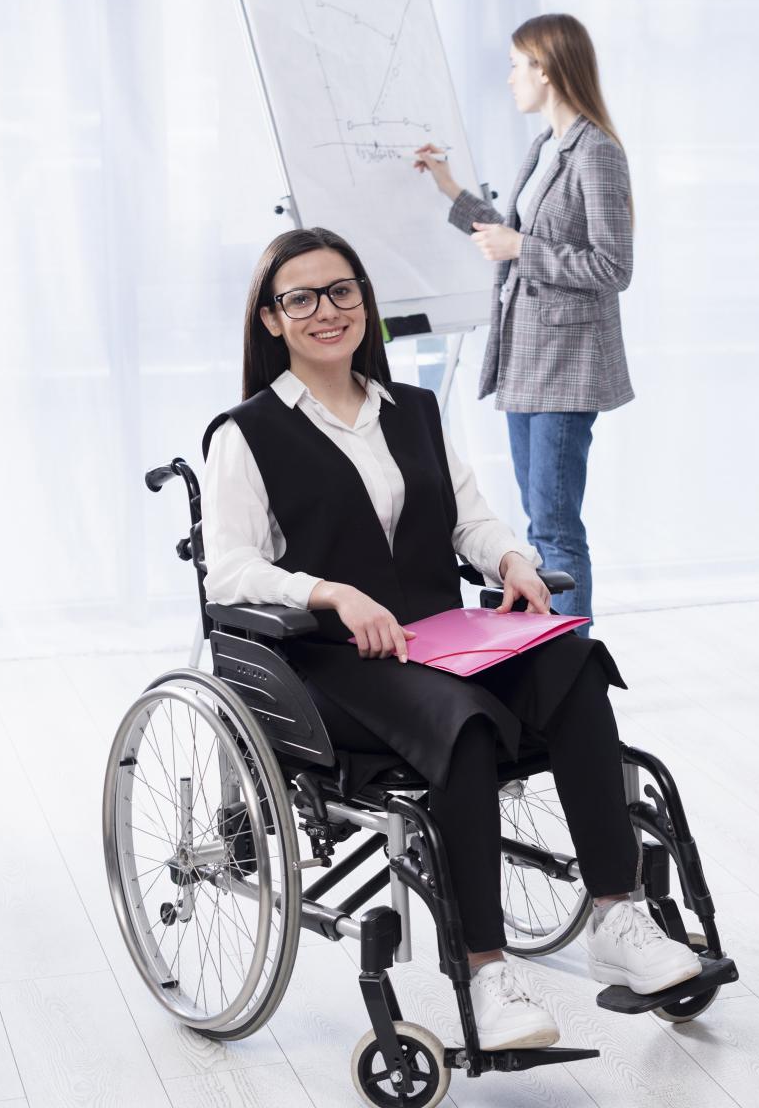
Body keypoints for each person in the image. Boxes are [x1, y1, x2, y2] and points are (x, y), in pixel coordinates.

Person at [200, 227, 698, 1051]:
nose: (327, 311)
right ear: (271, 319)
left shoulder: (416, 410)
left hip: (440, 636)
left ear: (366, 301)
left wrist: (512, 558)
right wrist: (326, 591)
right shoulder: (245, 434)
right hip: (332, 663)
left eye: (342, 291)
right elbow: (230, 572)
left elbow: (470, 517)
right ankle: (485, 970)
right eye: (301, 298)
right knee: (460, 723)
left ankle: (618, 914)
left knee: (572, 662)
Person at [413, 13, 632, 634]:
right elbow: (513, 233)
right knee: (540, 522)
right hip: (526, 364)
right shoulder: (544, 148)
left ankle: (570, 666)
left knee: (554, 528)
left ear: (547, 69)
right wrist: (448, 185)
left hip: (566, 369)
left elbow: (614, 267)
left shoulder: (598, 153)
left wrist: (521, 250)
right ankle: (554, 651)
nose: (509, 78)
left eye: (516, 64)